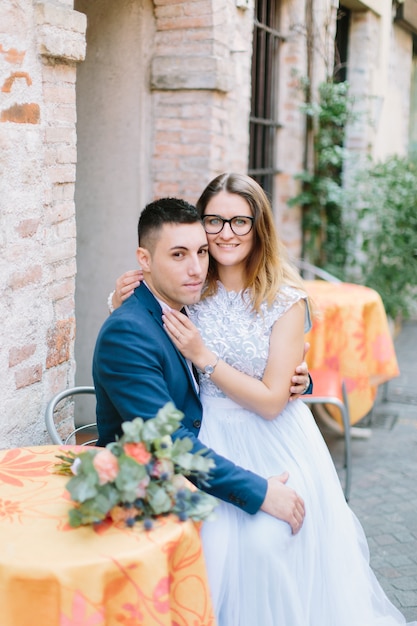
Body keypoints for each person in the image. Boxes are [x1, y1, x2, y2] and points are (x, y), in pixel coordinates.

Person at [110, 174, 416, 626]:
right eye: (214, 220)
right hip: (205, 429)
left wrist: (206, 357)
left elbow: (274, 400)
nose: (225, 233)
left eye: (239, 221)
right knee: (214, 548)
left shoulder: (285, 300)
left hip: (272, 435)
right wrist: (116, 301)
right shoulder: (191, 286)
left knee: (271, 548)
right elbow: (141, 330)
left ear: (259, 227)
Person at [93, 196, 310, 535]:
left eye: (201, 252)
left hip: (204, 461)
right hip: (147, 492)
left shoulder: (184, 308)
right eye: (178, 255)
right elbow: (169, 444)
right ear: (144, 260)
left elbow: (241, 350)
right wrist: (260, 492)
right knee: (269, 536)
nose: (196, 268)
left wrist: (299, 380)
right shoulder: (128, 333)